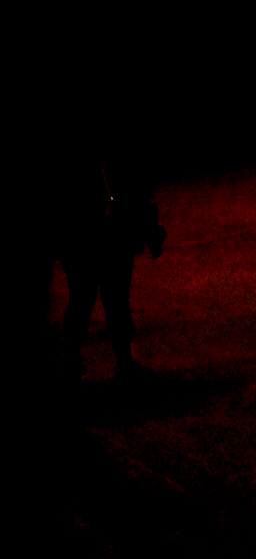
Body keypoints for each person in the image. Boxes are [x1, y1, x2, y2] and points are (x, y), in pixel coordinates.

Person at [58, 136, 166, 384]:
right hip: (99, 222)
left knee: (87, 296)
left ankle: (78, 362)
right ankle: (120, 364)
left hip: (90, 222)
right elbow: (134, 179)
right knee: (105, 297)